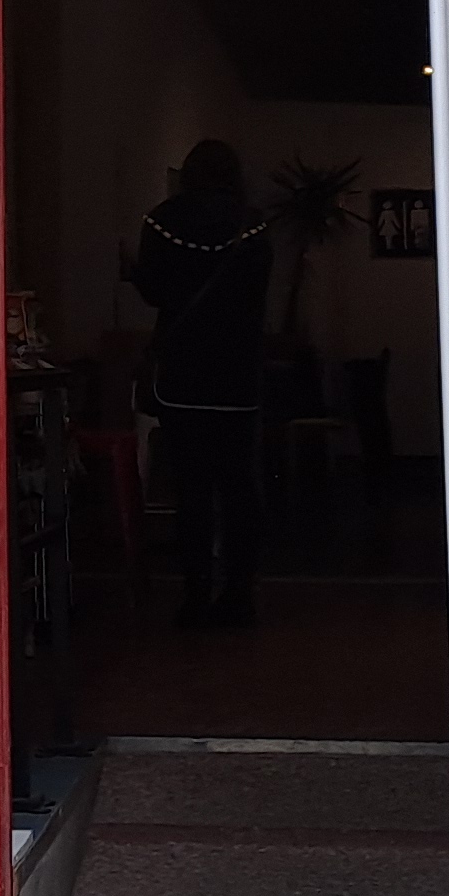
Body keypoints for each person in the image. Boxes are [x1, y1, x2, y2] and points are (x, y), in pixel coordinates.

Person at [130, 139, 274, 627]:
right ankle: (239, 596)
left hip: (182, 373)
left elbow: (154, 292)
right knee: (239, 489)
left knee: (191, 490)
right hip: (237, 375)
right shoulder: (253, 224)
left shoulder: (161, 221)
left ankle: (194, 597)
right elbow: (257, 295)